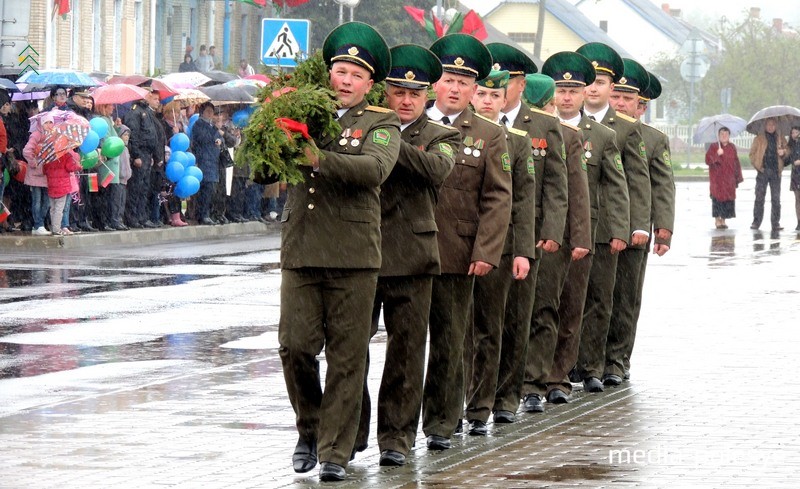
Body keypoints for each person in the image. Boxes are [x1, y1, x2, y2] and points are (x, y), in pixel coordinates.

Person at [277, 22, 400, 482]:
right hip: (302, 248)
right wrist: (267, 133)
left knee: (347, 357)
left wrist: (318, 159)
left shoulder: (381, 122)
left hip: (352, 256)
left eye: (355, 74)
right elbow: (265, 175)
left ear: (371, 84)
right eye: (339, 70)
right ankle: (308, 429)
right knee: (294, 347)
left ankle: (334, 450)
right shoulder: (305, 113)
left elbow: (374, 170)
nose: (344, 80)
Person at [353, 43, 459, 466]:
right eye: (398, 91)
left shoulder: (442, 136)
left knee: (407, 350)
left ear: (427, 97)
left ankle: (396, 437)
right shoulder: (363, 125)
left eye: (415, 94)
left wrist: (385, 142)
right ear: (385, 92)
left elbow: (438, 170)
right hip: (360, 252)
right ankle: (350, 432)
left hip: (413, 256)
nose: (406, 100)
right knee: (350, 350)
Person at [422, 33, 512, 450]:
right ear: (434, 84)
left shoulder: (490, 135)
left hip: (457, 252)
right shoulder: (406, 121)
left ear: (476, 90)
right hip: (403, 249)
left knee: (450, 340)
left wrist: (486, 251)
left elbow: (498, 197)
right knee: (405, 345)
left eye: (464, 82)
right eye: (447, 79)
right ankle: (398, 428)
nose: (454, 88)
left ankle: (442, 421)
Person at [485, 42, 568, 420]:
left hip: (529, 232)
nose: (498, 90)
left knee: (526, 314)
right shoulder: (477, 122)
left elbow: (556, 185)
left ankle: (528, 386)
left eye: (508, 82)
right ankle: (484, 391)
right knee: (485, 321)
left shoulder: (544, 125)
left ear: (520, 85)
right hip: (484, 233)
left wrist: (552, 230)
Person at [542, 50, 630, 402]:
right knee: (546, 304)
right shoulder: (537, 128)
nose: (566, 97)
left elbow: (617, 185)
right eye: (560, 90)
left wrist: (619, 230)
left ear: (583, 93)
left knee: (583, 303)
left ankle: (576, 372)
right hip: (545, 231)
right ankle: (541, 374)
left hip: (586, 231)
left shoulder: (602, 135)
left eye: (573, 90)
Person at [574, 43, 650, 394]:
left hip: (605, 227)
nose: (593, 89)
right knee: (567, 298)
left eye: (601, 83)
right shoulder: (557, 119)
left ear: (610, 87)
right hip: (568, 226)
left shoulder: (623, 128)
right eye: (588, 82)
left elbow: (635, 181)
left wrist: (635, 225)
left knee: (607, 299)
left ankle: (602, 362)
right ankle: (568, 363)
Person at [463, 68, 535, 434]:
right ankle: (459, 400)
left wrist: (523, 250)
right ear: (473, 96)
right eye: (482, 96)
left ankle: (486, 405)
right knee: (460, 330)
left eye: (495, 96)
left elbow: (522, 201)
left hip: (501, 247)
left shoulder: (518, 141)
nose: (488, 102)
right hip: (459, 244)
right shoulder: (455, 134)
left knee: (494, 327)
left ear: (504, 99)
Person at [520, 72, 592, 410]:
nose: (552, 110)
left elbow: (577, 192)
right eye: (547, 103)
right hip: (517, 234)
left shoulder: (566, 136)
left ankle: (541, 380)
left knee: (548, 307)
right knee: (518, 313)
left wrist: (578, 237)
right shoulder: (510, 134)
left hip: (554, 237)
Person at [605, 68, 675, 384]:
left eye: (627, 98)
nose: (619, 103)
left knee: (625, 295)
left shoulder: (653, 139)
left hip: (636, 228)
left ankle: (618, 359)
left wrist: (664, 227)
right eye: (615, 95)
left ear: (641, 105)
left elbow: (663, 185)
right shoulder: (592, 129)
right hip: (599, 226)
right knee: (593, 296)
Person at [122, 89, 165, 228]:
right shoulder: (135, 111)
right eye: (147, 93)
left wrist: (155, 155)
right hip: (140, 154)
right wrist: (136, 155)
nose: (150, 96)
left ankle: (142, 216)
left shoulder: (147, 112)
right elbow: (133, 134)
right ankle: (132, 217)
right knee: (136, 188)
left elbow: (153, 135)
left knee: (144, 188)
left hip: (148, 154)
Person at [749, 117, 787, 231]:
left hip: (776, 172)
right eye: (768, 125)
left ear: (776, 126)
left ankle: (775, 223)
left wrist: (783, 152)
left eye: (773, 125)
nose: (771, 127)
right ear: (765, 126)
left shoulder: (780, 138)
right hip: (763, 172)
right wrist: (759, 167)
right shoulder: (759, 139)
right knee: (759, 198)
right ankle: (756, 222)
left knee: (776, 199)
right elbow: (752, 154)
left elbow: (788, 151)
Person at [24, 112, 55, 235]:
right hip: (36, 174)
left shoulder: (54, 136)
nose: (48, 125)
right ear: (41, 124)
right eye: (46, 122)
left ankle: (40, 223)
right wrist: (33, 161)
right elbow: (26, 150)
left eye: (50, 122)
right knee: (37, 200)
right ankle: (38, 225)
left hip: (47, 173)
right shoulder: (36, 135)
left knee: (46, 201)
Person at [190, 102, 221, 225]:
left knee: (212, 189)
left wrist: (219, 140)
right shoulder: (199, 124)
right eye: (208, 111)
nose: (210, 114)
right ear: (202, 112)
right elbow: (203, 138)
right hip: (203, 160)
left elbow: (219, 139)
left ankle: (208, 213)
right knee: (205, 189)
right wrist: (214, 130)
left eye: (212, 112)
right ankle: (202, 214)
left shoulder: (211, 125)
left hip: (213, 160)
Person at [705, 127, 743, 229]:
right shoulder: (714, 146)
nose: (724, 136)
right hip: (717, 180)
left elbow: (736, 163)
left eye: (726, 134)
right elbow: (708, 160)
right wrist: (717, 154)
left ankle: (723, 220)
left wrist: (738, 177)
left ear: (729, 136)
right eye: (722, 134)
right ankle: (717, 220)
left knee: (727, 199)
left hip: (729, 179)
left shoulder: (732, 147)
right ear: (718, 135)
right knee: (717, 199)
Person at [788, 126, 800, 230]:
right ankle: (799, 222)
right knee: (797, 199)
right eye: (792, 133)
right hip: (795, 175)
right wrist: (782, 154)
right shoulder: (791, 146)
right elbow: (788, 161)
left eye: (796, 132)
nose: (794, 134)